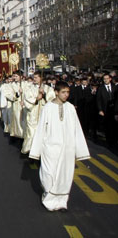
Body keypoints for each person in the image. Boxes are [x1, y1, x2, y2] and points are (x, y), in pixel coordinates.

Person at [29, 81, 90, 212]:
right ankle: (49, 199)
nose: (66, 95)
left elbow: (77, 129)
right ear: (56, 92)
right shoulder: (48, 108)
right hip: (50, 147)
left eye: (68, 92)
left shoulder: (70, 108)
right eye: (63, 92)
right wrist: (36, 150)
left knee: (64, 176)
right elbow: (40, 129)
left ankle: (62, 202)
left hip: (67, 148)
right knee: (48, 174)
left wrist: (79, 149)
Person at [22, 71, 55, 154]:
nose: (34, 79)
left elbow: (52, 100)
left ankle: (41, 152)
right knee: (31, 133)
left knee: (43, 134)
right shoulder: (29, 88)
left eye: (36, 77)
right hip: (32, 113)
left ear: (41, 78)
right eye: (34, 77)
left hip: (43, 114)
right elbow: (27, 98)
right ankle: (30, 151)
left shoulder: (48, 88)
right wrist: (36, 99)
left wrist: (44, 95)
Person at [96, 74, 117, 148]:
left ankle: (114, 140)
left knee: (114, 126)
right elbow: (98, 100)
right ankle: (109, 141)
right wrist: (100, 110)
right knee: (107, 126)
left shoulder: (115, 87)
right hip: (105, 110)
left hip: (114, 110)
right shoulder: (101, 88)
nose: (105, 80)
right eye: (104, 79)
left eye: (107, 78)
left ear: (110, 79)